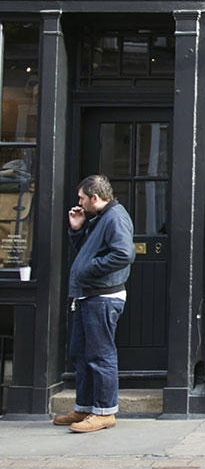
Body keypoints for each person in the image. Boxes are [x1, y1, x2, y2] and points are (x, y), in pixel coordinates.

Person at [52, 175, 135, 433]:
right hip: (89, 296)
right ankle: (85, 408)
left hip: (103, 297)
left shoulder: (115, 217)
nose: (79, 203)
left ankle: (104, 412)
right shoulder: (100, 218)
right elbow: (88, 251)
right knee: (81, 354)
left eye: (82, 198)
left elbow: (124, 253)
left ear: (94, 197)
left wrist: (90, 269)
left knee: (100, 355)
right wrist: (77, 229)